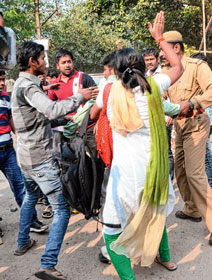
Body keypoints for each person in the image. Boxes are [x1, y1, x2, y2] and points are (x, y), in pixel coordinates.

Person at [90, 11, 183, 279]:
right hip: (153, 168)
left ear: (116, 69)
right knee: (155, 212)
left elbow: (94, 115)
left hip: (124, 174)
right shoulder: (154, 86)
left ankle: (128, 277)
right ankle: (164, 257)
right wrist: (160, 38)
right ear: (143, 65)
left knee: (113, 225)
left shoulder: (108, 90)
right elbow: (179, 67)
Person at [11, 41, 94, 280]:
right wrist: (81, 97)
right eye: (42, 58)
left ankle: (23, 241)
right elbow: (52, 109)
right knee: (62, 209)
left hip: (25, 158)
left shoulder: (22, 83)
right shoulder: (29, 86)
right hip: (40, 159)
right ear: (32, 62)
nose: (45, 62)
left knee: (30, 197)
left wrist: (60, 122)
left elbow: (34, 120)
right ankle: (48, 264)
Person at [160, 31, 212, 245]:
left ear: (177, 48)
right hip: (179, 127)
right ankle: (191, 208)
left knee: (195, 174)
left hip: (196, 124)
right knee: (180, 171)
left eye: (164, 50)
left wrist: (192, 103)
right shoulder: (167, 72)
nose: (161, 55)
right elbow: (162, 95)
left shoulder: (197, 66)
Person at [0, 70, 47, 233]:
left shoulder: (6, 97)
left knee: (20, 186)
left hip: (8, 152)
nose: (1, 83)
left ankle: (32, 221)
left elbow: (11, 118)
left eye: (2, 79)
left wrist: (19, 135)